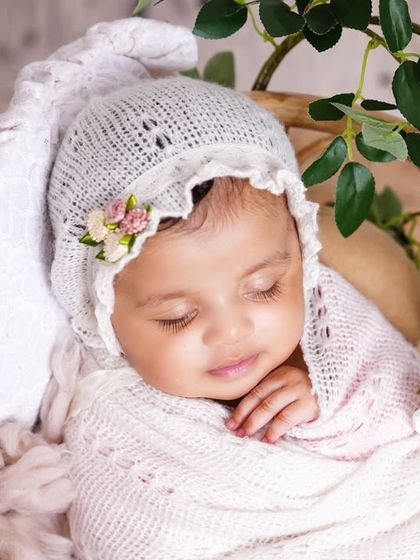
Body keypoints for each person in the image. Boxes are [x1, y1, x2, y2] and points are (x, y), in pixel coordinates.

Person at [44, 74, 420, 559]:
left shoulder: (330, 315)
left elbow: (402, 386)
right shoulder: (116, 434)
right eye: (177, 317)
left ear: (299, 251)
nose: (232, 331)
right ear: (103, 313)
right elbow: (132, 540)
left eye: (264, 288)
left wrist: (326, 396)